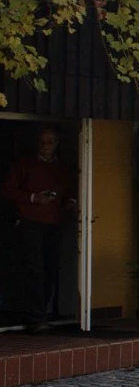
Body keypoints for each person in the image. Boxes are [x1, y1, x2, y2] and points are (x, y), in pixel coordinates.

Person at [2, 126, 76, 331]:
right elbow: (7, 189)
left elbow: (71, 190)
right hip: (30, 222)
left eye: (50, 142)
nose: (46, 146)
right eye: (43, 142)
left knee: (50, 268)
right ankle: (35, 318)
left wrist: (70, 202)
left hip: (54, 223)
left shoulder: (62, 168)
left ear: (57, 144)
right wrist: (34, 198)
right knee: (34, 269)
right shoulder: (24, 164)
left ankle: (42, 312)